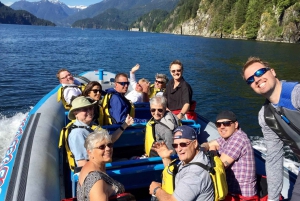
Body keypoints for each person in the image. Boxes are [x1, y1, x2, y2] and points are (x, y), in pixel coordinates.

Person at [242, 57, 300, 201]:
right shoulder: (265, 116)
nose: (256, 79)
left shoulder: (296, 94)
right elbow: (274, 158)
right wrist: (272, 199)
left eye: (260, 72)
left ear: (272, 72)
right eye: (250, 80)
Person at [201, 110, 258, 201]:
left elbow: (218, 167)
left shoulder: (238, 139)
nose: (222, 127)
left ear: (235, 125)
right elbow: (209, 143)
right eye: (218, 125)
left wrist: (212, 151)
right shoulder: (228, 137)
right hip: (230, 190)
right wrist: (202, 148)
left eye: (226, 123)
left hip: (240, 195)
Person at [149, 125, 214, 201]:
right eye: (175, 145)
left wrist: (156, 190)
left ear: (195, 143)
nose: (179, 149)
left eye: (183, 144)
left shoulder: (194, 174)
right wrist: (165, 158)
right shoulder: (194, 157)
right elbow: (174, 176)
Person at [68, 96, 134, 168]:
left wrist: (124, 125)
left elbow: (110, 140)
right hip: (97, 172)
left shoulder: (89, 127)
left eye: (90, 108)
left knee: (129, 160)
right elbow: (82, 163)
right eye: (85, 109)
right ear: (75, 113)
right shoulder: (78, 133)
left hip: (102, 166)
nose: (89, 111)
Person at [77, 129, 126, 201]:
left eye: (110, 145)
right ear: (90, 152)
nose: (108, 149)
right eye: (101, 147)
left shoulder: (96, 167)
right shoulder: (96, 180)